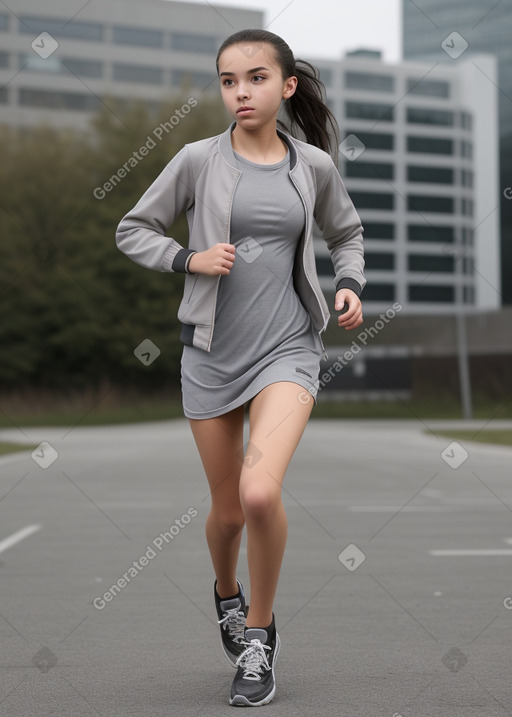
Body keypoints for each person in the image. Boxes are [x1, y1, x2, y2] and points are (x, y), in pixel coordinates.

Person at [116, 28, 365, 707]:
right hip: (210, 354)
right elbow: (133, 227)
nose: (240, 92)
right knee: (228, 512)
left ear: (286, 85)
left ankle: (258, 637)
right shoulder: (198, 160)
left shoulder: (309, 165)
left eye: (255, 78)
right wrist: (186, 259)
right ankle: (226, 593)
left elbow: (346, 230)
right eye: (228, 80)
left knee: (260, 493)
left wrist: (348, 281)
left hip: (288, 348)